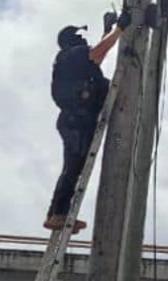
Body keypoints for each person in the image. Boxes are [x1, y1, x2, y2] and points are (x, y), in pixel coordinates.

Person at [44, 9, 132, 234]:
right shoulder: (71, 54)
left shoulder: (70, 61)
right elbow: (96, 53)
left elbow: (95, 59)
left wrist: (109, 30)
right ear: (71, 40)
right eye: (79, 35)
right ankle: (57, 214)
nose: (83, 37)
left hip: (74, 119)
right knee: (73, 168)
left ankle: (56, 213)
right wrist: (120, 28)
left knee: (73, 168)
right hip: (77, 121)